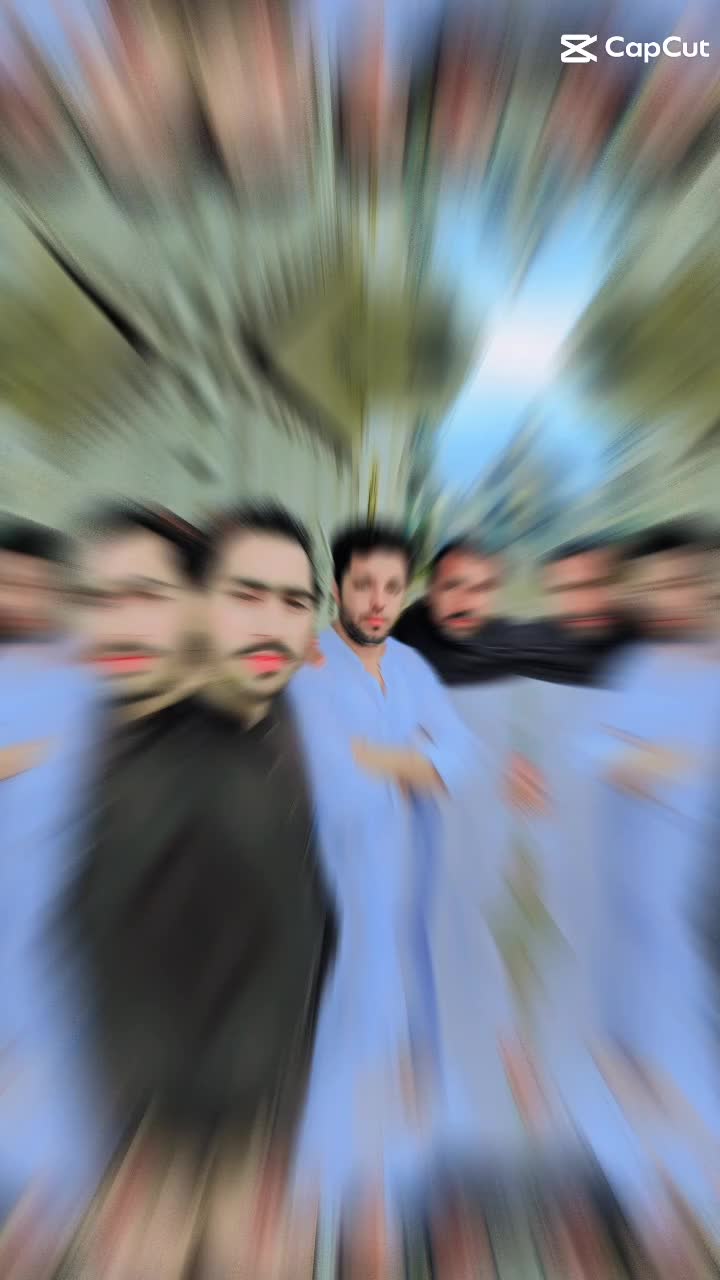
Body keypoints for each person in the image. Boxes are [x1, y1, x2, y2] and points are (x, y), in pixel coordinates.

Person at [286, 520, 480, 1271]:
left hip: (411, 902)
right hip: (340, 900)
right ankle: (348, 1227)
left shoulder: (411, 667)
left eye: (393, 587)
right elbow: (333, 782)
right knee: (344, 1070)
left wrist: (382, 756)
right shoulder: (309, 671)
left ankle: (388, 1213)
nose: (377, 601)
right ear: (338, 586)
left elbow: (462, 759)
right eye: (363, 584)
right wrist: (417, 761)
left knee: (406, 1070)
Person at [589, 521, 720, 1250]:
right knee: (634, 1060)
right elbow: (598, 754)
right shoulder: (639, 668)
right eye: (656, 584)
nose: (671, 596)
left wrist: (654, 760)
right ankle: (664, 1216)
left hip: (690, 920)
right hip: (641, 917)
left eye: (684, 580)